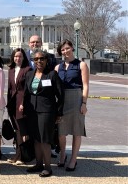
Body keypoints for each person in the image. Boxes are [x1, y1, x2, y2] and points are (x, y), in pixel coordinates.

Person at [21, 50, 64, 177]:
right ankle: (38, 164)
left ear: (46, 60)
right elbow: (26, 93)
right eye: (36, 59)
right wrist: (23, 105)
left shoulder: (52, 74)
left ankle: (48, 167)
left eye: (42, 59)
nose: (39, 61)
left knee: (45, 139)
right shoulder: (30, 74)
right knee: (36, 139)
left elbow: (60, 95)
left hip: (46, 111)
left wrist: (59, 113)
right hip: (32, 111)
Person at [55, 39, 89, 172]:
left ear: (72, 48)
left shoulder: (81, 65)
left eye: (67, 48)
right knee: (61, 132)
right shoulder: (58, 67)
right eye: (63, 50)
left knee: (76, 130)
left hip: (76, 98)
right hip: (62, 100)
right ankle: (63, 154)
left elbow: (85, 86)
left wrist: (84, 103)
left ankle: (73, 159)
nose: (65, 51)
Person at [6, 48, 31, 164]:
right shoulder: (11, 70)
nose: (18, 58)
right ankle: (17, 154)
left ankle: (22, 156)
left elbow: (27, 89)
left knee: (22, 130)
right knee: (16, 130)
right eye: (16, 56)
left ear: (24, 58)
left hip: (22, 103)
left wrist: (23, 103)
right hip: (12, 104)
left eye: (20, 56)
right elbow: (10, 88)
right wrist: (7, 104)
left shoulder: (27, 70)